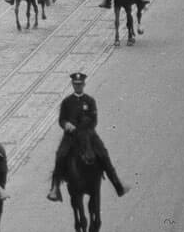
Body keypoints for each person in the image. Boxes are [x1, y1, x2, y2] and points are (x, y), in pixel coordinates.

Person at [46, 71, 128, 202]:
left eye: (80, 84)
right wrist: (66, 124)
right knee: (60, 155)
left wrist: (85, 126)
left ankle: (118, 185)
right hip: (71, 136)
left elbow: (94, 120)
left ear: (84, 84)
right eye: (75, 84)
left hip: (88, 135)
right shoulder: (67, 102)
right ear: (72, 85)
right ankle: (55, 188)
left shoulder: (89, 101)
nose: (77, 86)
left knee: (103, 154)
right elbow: (61, 119)